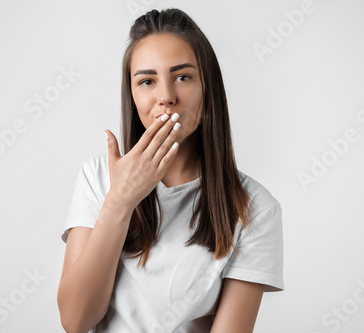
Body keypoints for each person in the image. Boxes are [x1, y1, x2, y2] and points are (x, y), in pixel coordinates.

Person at [57, 8, 284, 333]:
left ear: (208, 88)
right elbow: (75, 320)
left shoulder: (255, 208)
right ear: (132, 95)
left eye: (183, 77)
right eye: (147, 81)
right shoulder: (97, 177)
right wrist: (120, 201)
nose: (166, 97)